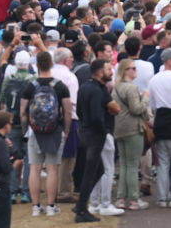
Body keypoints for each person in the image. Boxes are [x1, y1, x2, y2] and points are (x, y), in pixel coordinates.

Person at [20, 50, 71, 216]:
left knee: (34, 168)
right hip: (54, 131)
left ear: (36, 65)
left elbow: (22, 112)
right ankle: (51, 206)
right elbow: (68, 111)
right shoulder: (60, 85)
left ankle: (36, 206)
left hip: (34, 131)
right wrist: (66, 130)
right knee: (52, 169)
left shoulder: (30, 86)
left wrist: (25, 130)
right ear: (51, 63)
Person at [74, 58, 118, 223]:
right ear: (99, 71)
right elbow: (96, 117)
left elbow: (79, 111)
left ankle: (81, 205)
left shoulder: (85, 87)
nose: (111, 71)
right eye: (108, 69)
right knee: (91, 172)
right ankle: (81, 208)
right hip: (95, 135)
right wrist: (103, 131)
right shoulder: (97, 90)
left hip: (86, 132)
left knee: (97, 170)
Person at [112, 57, 150, 210]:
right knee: (133, 165)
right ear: (125, 71)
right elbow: (136, 109)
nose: (136, 71)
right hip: (133, 128)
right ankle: (134, 199)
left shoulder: (116, 87)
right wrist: (146, 99)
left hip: (119, 127)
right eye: (133, 68)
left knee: (124, 165)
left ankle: (121, 198)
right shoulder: (131, 88)